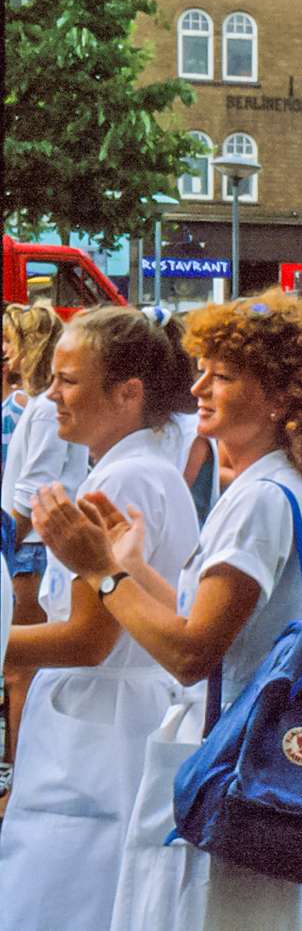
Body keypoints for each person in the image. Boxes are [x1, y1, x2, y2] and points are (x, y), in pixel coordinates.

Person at [31, 290, 302, 929]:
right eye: (203, 368)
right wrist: (126, 567)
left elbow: (190, 653)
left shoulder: (260, 498)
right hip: (254, 760)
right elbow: (202, 622)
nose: (200, 385)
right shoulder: (288, 490)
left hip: (231, 764)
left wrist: (99, 571)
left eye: (224, 375)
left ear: (280, 398)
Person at [0, 305, 201, 930]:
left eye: (67, 381)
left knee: (75, 895)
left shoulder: (123, 481)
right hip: (107, 715)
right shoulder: (132, 467)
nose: (50, 395)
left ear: (126, 394)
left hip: (107, 725)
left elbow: (90, 639)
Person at [0, 302, 86, 812]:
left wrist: (6, 541)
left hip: (30, 548)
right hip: (31, 545)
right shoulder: (36, 406)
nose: (4, 349)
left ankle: (20, 778)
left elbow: (35, 486)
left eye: (10, 339)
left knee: (21, 666)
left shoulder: (39, 409)